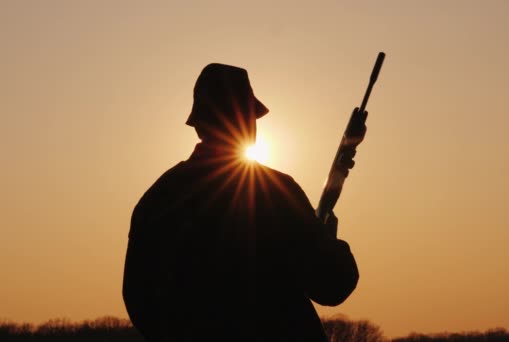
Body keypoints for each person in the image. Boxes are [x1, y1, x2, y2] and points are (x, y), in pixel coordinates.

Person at [122, 63, 359, 341]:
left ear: (198, 124)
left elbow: (139, 301)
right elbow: (331, 284)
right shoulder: (275, 192)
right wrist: (329, 241)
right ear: (247, 121)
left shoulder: (158, 198)